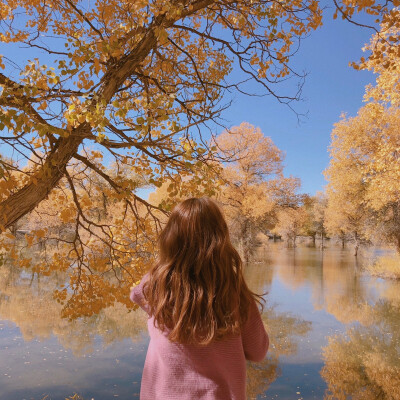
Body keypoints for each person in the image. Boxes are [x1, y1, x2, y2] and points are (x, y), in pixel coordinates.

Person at [130, 197, 269, 400]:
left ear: (171, 238)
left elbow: (136, 294)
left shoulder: (154, 288)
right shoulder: (233, 294)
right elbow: (258, 352)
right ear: (220, 238)